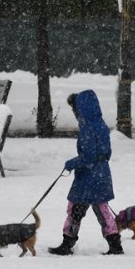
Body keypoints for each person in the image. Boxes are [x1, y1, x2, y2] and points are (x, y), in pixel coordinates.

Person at [49, 90, 124, 256]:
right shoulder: (102, 125)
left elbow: (88, 157)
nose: (75, 114)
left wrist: (71, 163)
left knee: (75, 210)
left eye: (75, 110)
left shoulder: (87, 129)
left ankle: (67, 244)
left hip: (88, 178)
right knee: (103, 211)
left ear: (81, 109)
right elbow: (107, 153)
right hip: (102, 175)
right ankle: (115, 245)